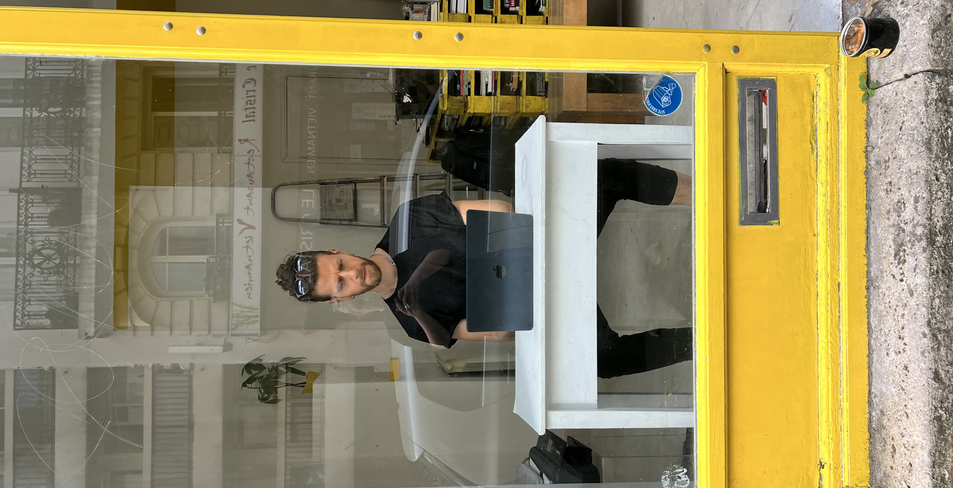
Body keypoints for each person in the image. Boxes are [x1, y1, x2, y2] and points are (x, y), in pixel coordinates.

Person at [277, 159, 693, 378]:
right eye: (342, 284)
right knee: (600, 362)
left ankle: (701, 192)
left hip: (550, 242)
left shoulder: (408, 222)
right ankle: (702, 340)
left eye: (342, 265)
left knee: (603, 176)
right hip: (551, 305)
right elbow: (504, 333)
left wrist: (460, 266)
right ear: (339, 300)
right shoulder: (410, 325)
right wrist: (421, 311)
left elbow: (501, 210)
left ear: (338, 251)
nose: (354, 275)